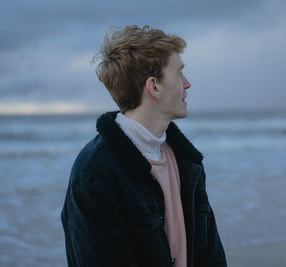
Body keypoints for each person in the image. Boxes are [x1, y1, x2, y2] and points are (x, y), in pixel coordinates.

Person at [61, 25, 227, 267]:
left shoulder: (187, 160)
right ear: (154, 87)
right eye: (179, 73)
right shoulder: (95, 172)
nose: (188, 83)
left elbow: (211, 257)